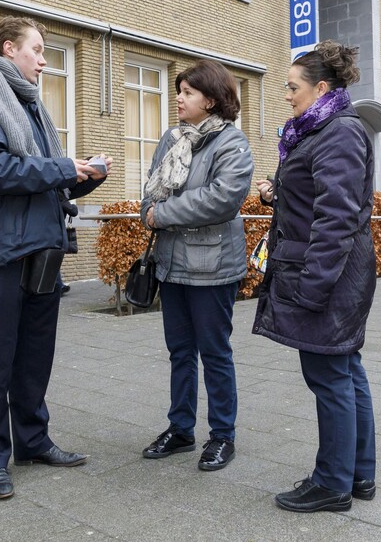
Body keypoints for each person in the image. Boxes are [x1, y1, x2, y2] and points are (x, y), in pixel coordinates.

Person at [0, 16, 112, 499]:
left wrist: (80, 176)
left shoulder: (32, 111)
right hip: (2, 250)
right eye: (37, 50)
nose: (43, 61)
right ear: (7, 50)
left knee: (35, 355)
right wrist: (61, 167)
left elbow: (40, 176)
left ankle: (34, 441)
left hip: (42, 246)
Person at [252, 40, 377, 513]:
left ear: (321, 87)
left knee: (329, 375)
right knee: (345, 370)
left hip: (329, 275)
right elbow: (315, 200)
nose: (286, 94)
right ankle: (358, 474)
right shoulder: (321, 130)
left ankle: (332, 484)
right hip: (334, 270)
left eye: (292, 86)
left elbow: (337, 218)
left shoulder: (338, 132)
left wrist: (312, 285)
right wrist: (277, 193)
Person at [139, 59, 254, 471]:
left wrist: (161, 214)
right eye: (179, 90)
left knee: (215, 352)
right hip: (170, 264)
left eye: (188, 92)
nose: (179, 98)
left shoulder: (232, 144)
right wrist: (151, 210)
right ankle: (181, 429)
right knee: (179, 352)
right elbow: (148, 194)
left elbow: (221, 200)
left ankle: (223, 436)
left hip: (211, 267)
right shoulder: (171, 139)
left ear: (211, 99)